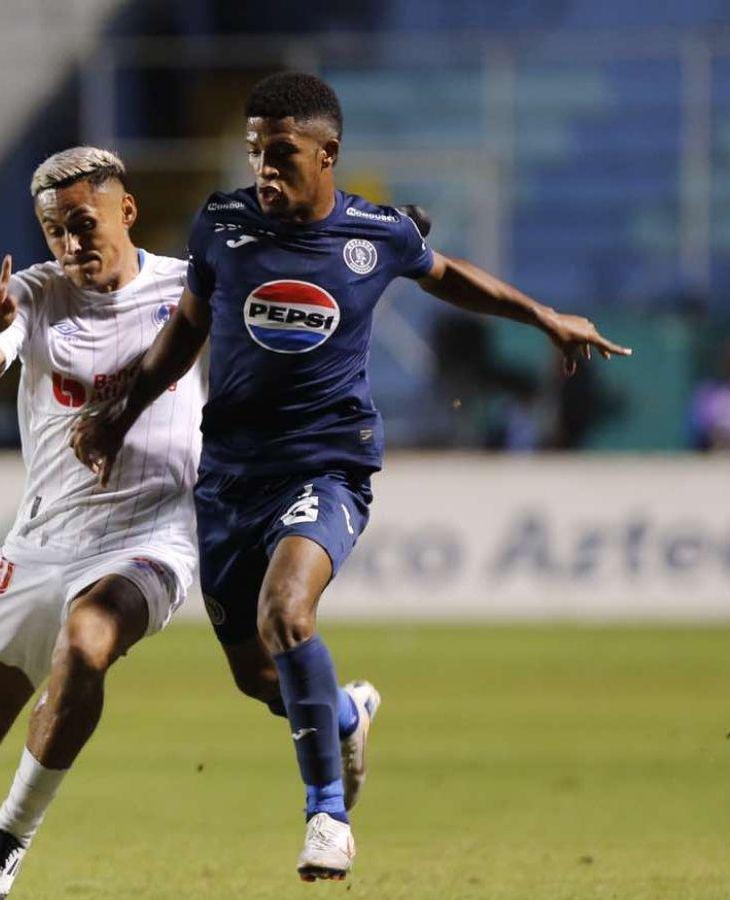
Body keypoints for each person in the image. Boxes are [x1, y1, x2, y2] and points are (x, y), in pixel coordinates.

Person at [72, 71, 632, 882]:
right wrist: (119, 417)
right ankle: (344, 710)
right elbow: (185, 334)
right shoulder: (221, 226)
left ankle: (327, 816)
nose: (263, 167)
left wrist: (542, 315)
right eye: (255, 151)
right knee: (254, 672)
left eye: (282, 153)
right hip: (230, 475)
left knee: (287, 614)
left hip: (327, 465)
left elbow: (451, 277)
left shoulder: (375, 234)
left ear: (328, 153)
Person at [0, 147, 204, 900]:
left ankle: (2, 854)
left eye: (83, 224)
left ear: (126, 212)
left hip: (152, 534)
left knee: (87, 641)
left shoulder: (191, 287)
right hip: (43, 541)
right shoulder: (31, 296)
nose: (70, 245)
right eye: (54, 231)